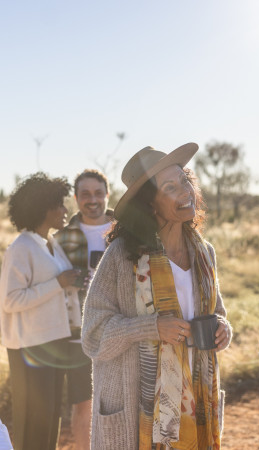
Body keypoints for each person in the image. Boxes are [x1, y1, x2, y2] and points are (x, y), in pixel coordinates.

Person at [81, 144, 232, 449]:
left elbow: (217, 312)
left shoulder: (204, 253)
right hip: (140, 411)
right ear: (150, 205)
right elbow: (93, 336)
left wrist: (223, 329)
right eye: (170, 187)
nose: (185, 191)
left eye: (185, 181)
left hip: (195, 405)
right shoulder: (122, 257)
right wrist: (151, 328)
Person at [0, 173, 83, 450]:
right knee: (33, 424)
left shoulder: (51, 243)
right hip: (29, 348)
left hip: (52, 343)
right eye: (59, 204)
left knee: (49, 420)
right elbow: (10, 301)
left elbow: (55, 287)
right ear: (42, 207)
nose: (65, 211)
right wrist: (57, 283)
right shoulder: (20, 248)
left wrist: (69, 284)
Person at [55, 168, 113, 449]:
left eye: (98, 193)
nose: (93, 199)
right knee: (83, 405)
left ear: (107, 195)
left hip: (119, 327)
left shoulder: (124, 231)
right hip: (77, 331)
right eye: (86, 194)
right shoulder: (61, 238)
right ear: (76, 198)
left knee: (122, 401)